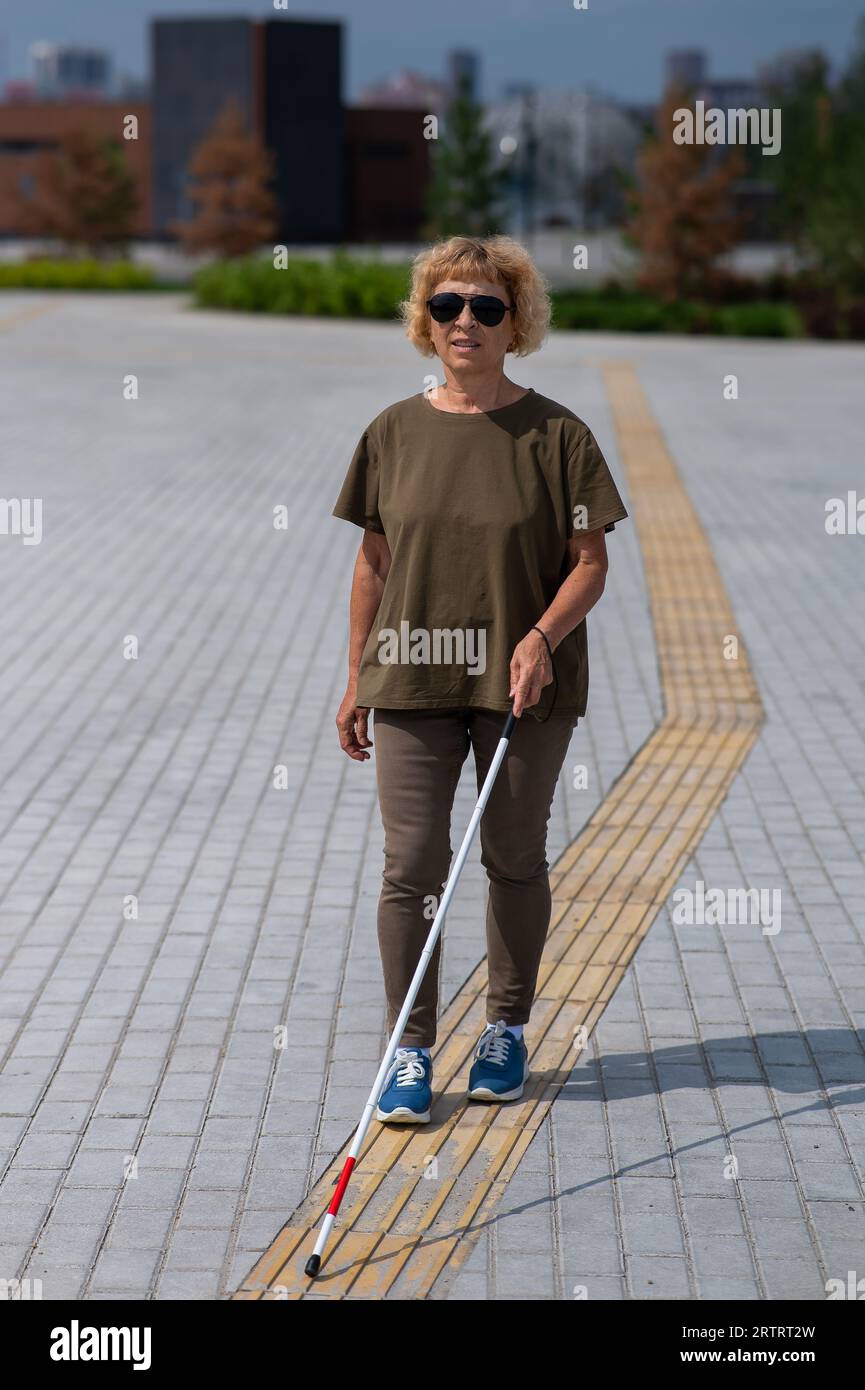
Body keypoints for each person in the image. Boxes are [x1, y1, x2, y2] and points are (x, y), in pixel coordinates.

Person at [332, 234, 628, 1123]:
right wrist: (356, 677)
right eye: (446, 305)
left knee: (512, 857)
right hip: (411, 677)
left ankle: (504, 1028)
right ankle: (409, 1049)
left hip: (522, 683)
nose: (465, 321)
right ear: (425, 321)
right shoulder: (392, 431)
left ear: (515, 322)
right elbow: (373, 563)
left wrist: (541, 637)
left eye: (486, 307)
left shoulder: (557, 435)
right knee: (411, 865)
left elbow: (590, 563)